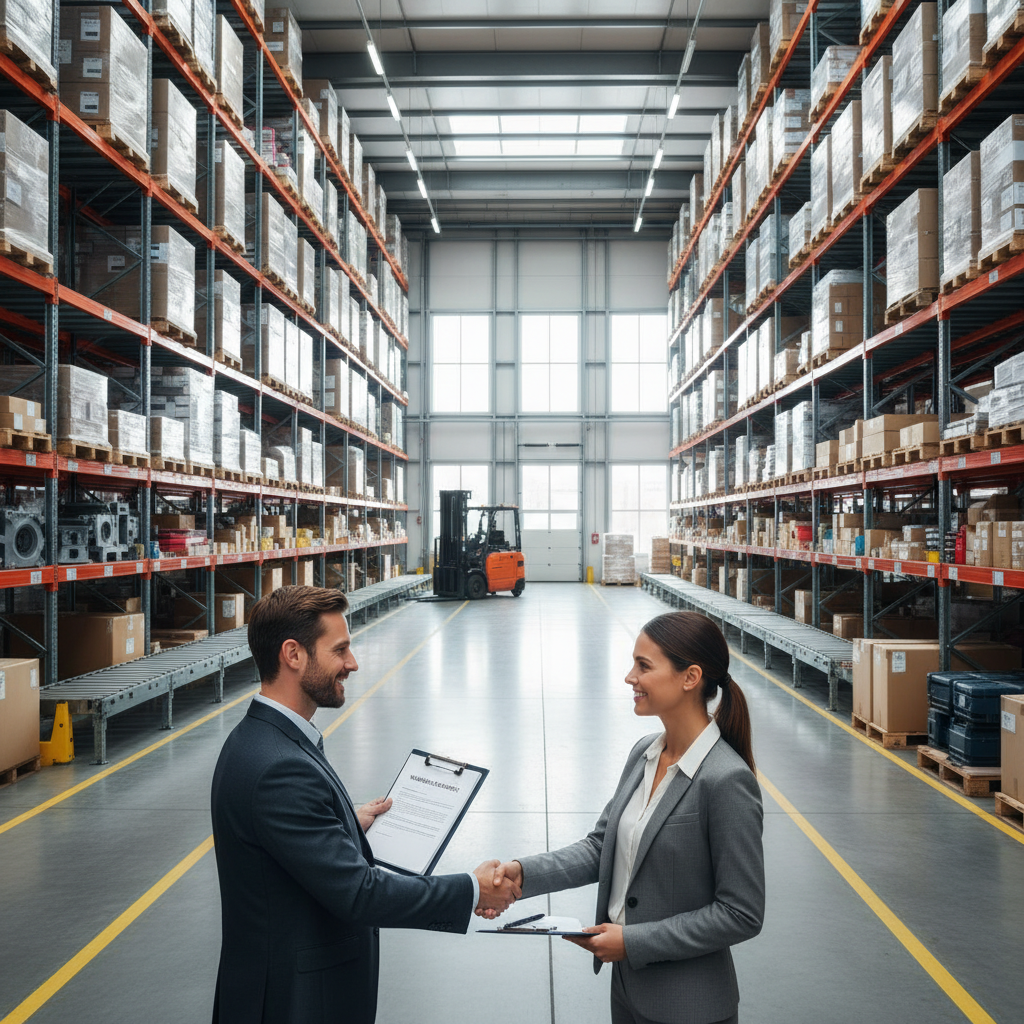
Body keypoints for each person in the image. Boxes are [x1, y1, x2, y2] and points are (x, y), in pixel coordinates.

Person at [211, 585, 520, 1024]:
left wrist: (345, 825)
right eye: (340, 650)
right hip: (293, 1002)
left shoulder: (260, 739)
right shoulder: (280, 768)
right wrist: (471, 889)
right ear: (293, 654)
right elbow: (360, 894)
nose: (352, 664)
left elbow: (280, 844)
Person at [485, 611, 764, 1024]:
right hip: (629, 993)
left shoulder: (726, 780)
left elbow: (741, 913)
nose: (629, 677)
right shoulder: (645, 753)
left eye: (644, 666)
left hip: (690, 1007)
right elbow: (603, 847)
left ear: (690, 677)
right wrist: (522, 874)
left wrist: (633, 942)